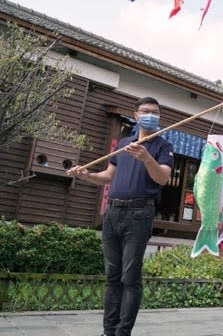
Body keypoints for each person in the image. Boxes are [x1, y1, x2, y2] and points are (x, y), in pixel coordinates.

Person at [67, 96, 173, 336]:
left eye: (155, 112)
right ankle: (108, 331)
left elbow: (163, 178)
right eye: (145, 111)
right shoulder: (124, 144)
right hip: (113, 212)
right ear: (135, 115)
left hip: (139, 213)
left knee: (130, 277)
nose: (150, 115)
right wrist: (86, 175)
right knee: (112, 275)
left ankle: (123, 332)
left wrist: (146, 157)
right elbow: (107, 176)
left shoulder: (162, 146)